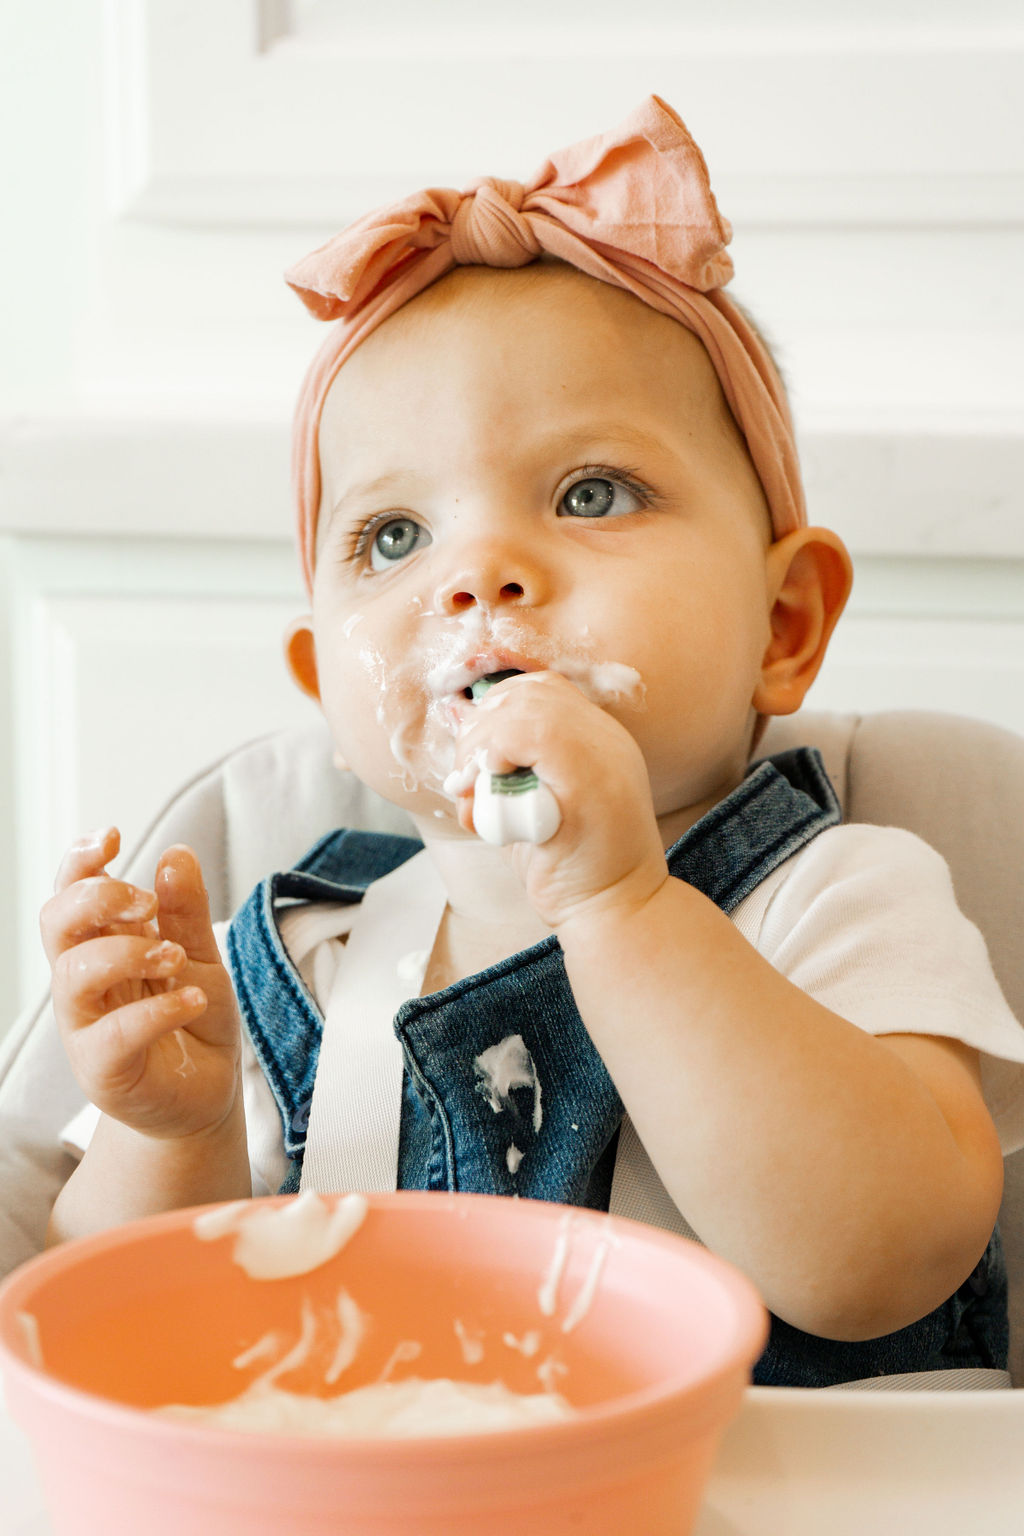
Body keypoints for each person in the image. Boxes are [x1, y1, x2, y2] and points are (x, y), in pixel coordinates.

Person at [40, 98, 1024, 1387]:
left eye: (589, 493)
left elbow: (885, 1257)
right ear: (326, 691)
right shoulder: (291, 964)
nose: (477, 573)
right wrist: (171, 1129)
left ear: (783, 624)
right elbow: (120, 1341)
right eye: (395, 537)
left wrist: (621, 905)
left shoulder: (841, 899)